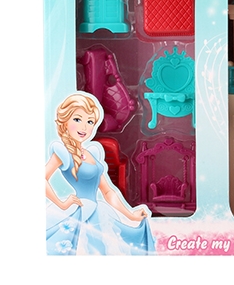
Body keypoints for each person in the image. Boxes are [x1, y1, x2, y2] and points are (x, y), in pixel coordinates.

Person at [45, 92, 154, 255]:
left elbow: (108, 191)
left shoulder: (92, 153)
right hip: (79, 212)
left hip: (97, 212)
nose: (84, 127)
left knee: (101, 250)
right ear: (65, 120)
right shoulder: (63, 152)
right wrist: (62, 204)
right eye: (77, 119)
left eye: (90, 122)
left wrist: (130, 214)